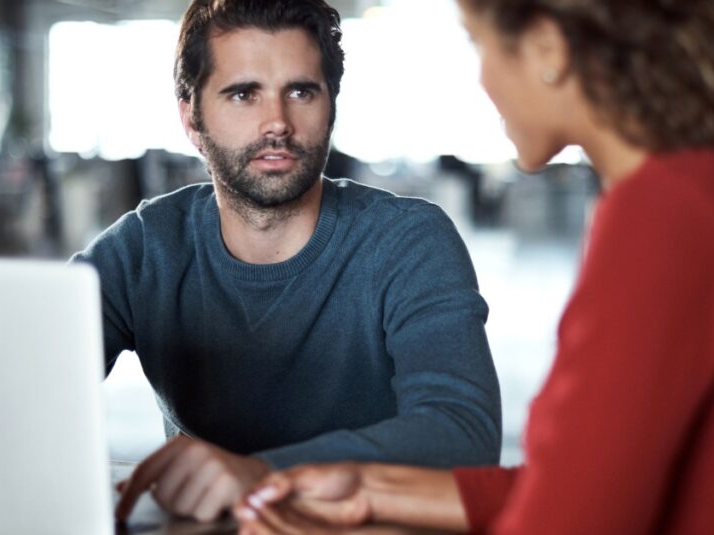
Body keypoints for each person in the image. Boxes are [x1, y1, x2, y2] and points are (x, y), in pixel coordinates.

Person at [235, 0, 714, 533]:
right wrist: (373, 489)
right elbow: (588, 481)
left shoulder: (663, 213)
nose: (482, 79)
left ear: (547, 48)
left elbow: (571, 522)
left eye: (480, 45)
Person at [71, 0, 502, 523]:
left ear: (332, 105)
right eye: (243, 94)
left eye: (300, 91)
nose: (276, 122)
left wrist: (261, 472)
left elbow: (462, 435)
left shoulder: (408, 241)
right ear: (191, 114)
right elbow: (13, 378)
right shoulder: (144, 248)